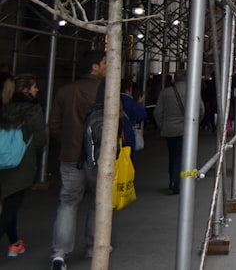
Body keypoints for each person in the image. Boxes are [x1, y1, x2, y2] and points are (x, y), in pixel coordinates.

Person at [50, 49, 106, 269]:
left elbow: (54, 126)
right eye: (103, 62)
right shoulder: (105, 91)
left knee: (68, 203)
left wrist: (70, 142)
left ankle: (59, 253)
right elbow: (116, 124)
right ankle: (94, 246)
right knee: (98, 202)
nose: (106, 66)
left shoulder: (65, 91)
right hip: (99, 157)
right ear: (94, 66)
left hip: (70, 157)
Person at [0, 74, 48, 258]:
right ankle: (13, 243)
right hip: (21, 164)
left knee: (9, 202)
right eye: (34, 86)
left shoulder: (4, 107)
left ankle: (15, 243)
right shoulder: (33, 110)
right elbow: (40, 140)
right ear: (26, 89)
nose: (37, 90)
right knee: (11, 206)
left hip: (1, 160)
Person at [154, 69, 203, 195]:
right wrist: (196, 123)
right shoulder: (193, 91)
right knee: (181, 156)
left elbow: (157, 112)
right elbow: (201, 109)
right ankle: (177, 182)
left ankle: (174, 180)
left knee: (173, 156)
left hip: (169, 130)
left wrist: (162, 125)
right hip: (186, 129)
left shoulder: (165, 93)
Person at [119, 79, 146, 151]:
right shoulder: (130, 102)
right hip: (128, 131)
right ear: (130, 88)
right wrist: (139, 103)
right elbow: (140, 115)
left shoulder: (116, 99)